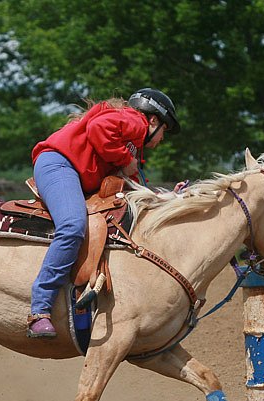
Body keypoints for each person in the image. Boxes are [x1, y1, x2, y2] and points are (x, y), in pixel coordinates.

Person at [26, 88, 180, 338]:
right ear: (153, 120)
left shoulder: (132, 145)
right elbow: (98, 129)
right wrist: (124, 158)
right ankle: (40, 309)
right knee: (73, 226)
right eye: (165, 130)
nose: (162, 138)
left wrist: (164, 197)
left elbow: (134, 187)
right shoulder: (135, 121)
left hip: (67, 169)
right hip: (59, 163)